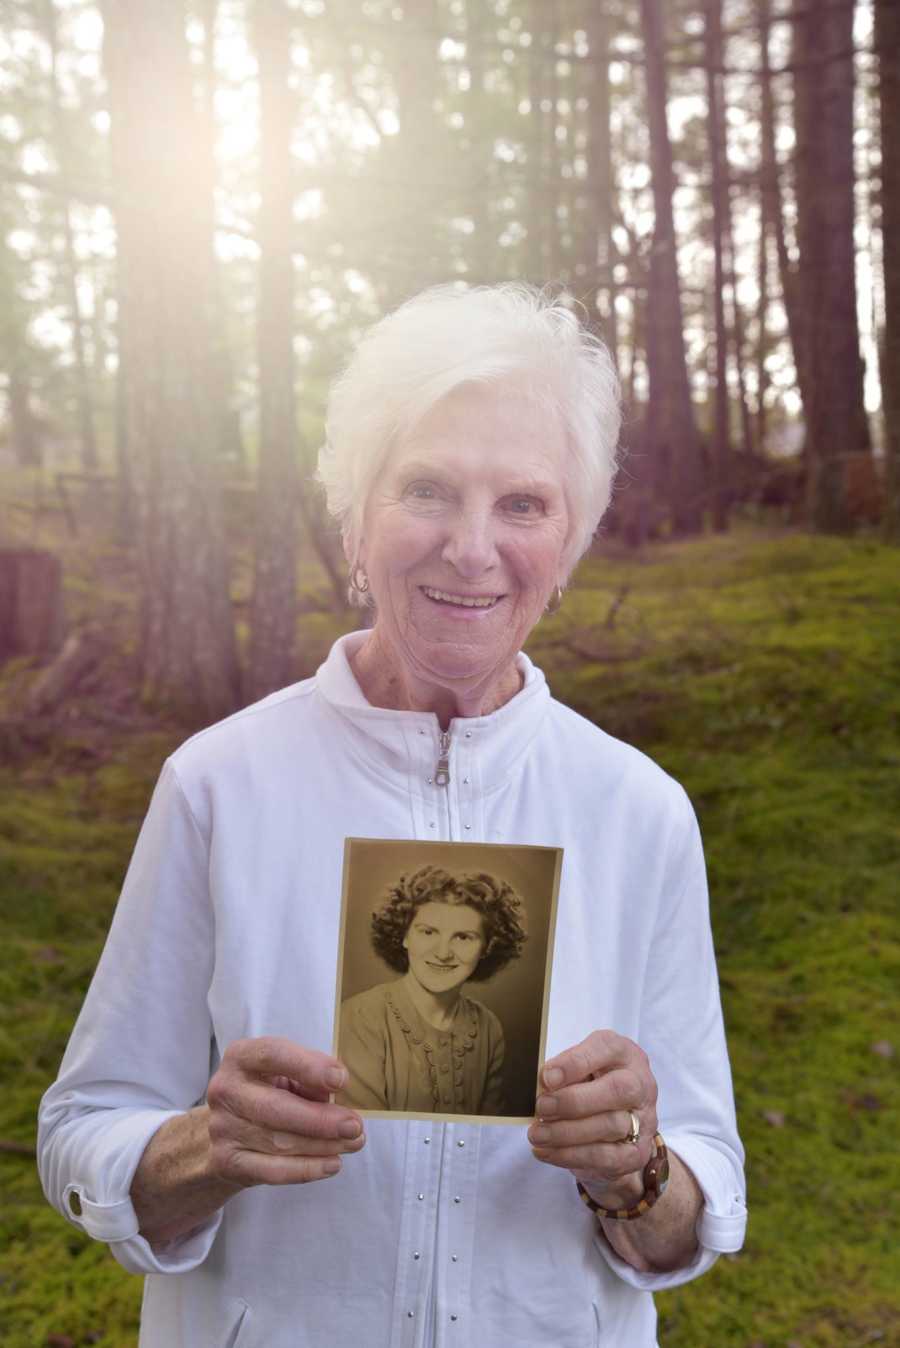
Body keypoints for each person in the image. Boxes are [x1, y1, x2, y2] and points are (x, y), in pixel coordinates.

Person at [38, 283, 747, 1348]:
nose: (472, 548)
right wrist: (201, 1147)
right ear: (354, 516)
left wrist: (636, 1165)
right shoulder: (218, 783)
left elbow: (699, 1192)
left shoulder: (638, 810)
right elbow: (81, 1131)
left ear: (572, 540)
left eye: (524, 503)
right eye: (426, 489)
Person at [337, 864, 527, 1115]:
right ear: (404, 936)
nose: (443, 953)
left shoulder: (488, 1027)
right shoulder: (360, 1017)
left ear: (487, 948)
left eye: (463, 937)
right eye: (428, 932)